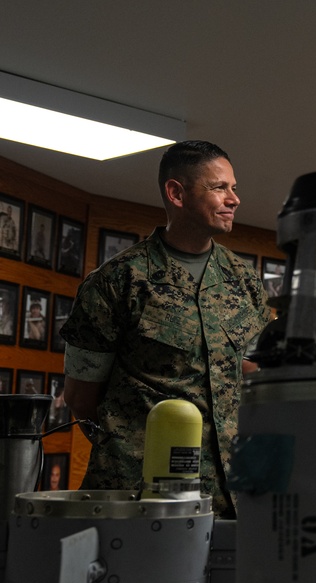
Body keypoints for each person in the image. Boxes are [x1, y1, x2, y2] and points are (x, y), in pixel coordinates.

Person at [60, 140, 270, 519]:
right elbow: (81, 396)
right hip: (139, 497)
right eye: (219, 187)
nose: (234, 199)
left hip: (230, 498)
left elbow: (253, 380)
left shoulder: (244, 281)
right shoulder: (118, 281)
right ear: (177, 193)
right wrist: (132, 445)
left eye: (233, 187)